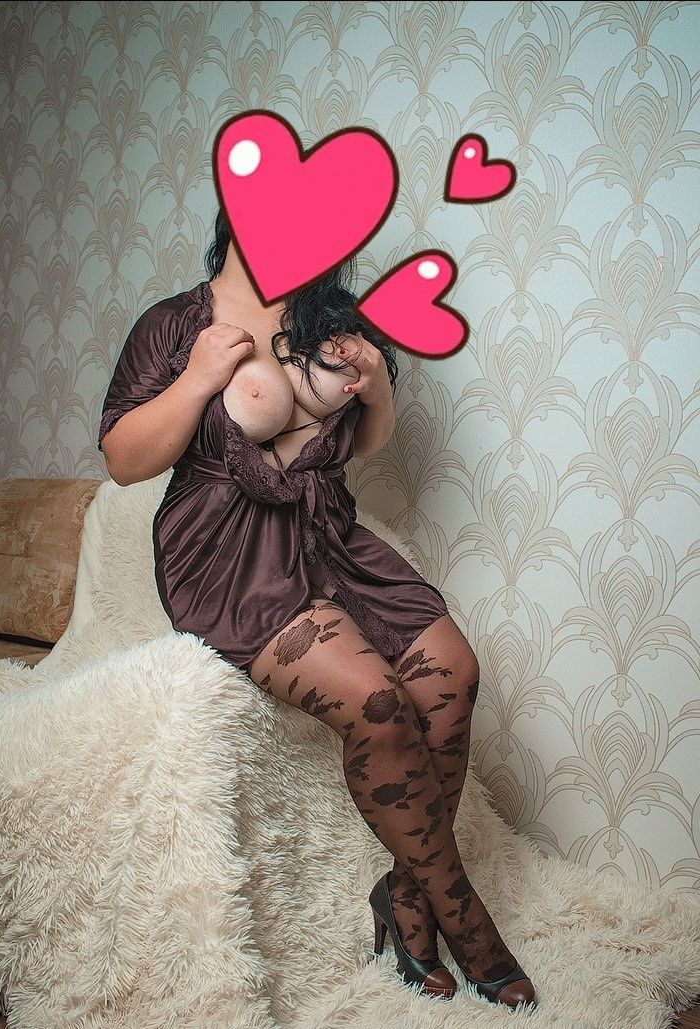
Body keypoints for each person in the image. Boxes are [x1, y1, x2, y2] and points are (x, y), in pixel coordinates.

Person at [97, 208, 536, 1008]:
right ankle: (464, 917)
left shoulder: (328, 319)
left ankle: (402, 899)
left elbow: (361, 443)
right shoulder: (176, 324)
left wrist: (375, 385)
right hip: (228, 552)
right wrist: (197, 379)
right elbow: (124, 460)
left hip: (329, 531)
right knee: (378, 703)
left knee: (452, 672)